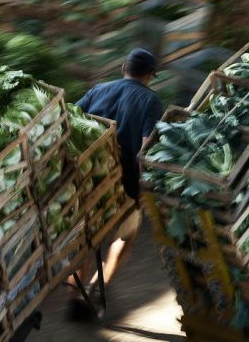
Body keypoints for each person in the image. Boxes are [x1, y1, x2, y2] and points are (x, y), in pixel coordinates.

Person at [68, 48, 164, 320]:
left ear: (124, 68)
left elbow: (69, 120)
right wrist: (145, 187)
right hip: (125, 183)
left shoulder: (98, 90)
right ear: (149, 75)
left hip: (87, 179)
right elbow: (145, 149)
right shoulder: (151, 101)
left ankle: (74, 293)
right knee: (126, 234)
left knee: (87, 239)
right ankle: (98, 286)